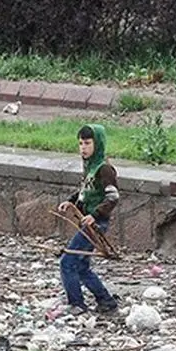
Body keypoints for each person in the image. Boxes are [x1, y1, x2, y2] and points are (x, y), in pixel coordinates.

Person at [57, 124, 121, 316]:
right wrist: (71, 202)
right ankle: (106, 301)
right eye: (80, 144)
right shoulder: (90, 166)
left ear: (97, 144)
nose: (83, 148)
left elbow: (113, 197)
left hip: (95, 224)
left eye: (87, 143)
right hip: (87, 221)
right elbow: (86, 191)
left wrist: (95, 215)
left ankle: (76, 303)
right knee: (82, 265)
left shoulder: (104, 169)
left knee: (67, 262)